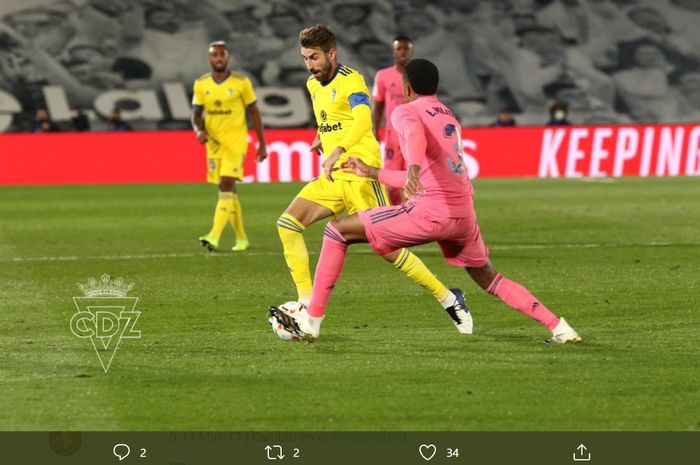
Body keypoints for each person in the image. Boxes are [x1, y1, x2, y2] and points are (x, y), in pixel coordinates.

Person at [272, 58, 581, 345]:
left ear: (406, 88)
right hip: (463, 215)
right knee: (490, 277)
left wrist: (414, 168)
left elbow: (415, 139)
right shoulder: (448, 115)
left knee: (337, 231)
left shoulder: (405, 111)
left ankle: (312, 320)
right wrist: (374, 172)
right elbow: (424, 171)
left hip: (430, 213)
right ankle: (559, 327)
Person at [277, 25, 469, 333]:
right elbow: (330, 118)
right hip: (333, 176)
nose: (309, 65)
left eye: (314, 57)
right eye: (304, 58)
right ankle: (305, 301)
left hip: (360, 174)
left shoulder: (351, 80)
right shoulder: (313, 85)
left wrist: (338, 148)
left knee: (386, 248)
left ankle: (448, 297)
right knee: (288, 225)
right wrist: (319, 138)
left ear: (331, 53)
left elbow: (363, 119)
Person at [192, 41, 268, 252]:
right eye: (214, 55)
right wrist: (198, 130)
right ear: (210, 58)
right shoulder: (201, 84)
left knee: (226, 185)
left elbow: (255, 113)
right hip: (213, 145)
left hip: (235, 143)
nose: (218, 58)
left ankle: (213, 236)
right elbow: (196, 113)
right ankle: (242, 238)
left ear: (227, 57)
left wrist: (262, 144)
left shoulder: (241, 82)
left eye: (221, 55)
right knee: (228, 191)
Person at [372, 35, 413, 205]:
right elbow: (378, 105)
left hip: (414, 136)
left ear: (411, 51)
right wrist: (375, 129)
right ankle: (397, 213)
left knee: (415, 180)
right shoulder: (383, 76)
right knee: (391, 185)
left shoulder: (418, 75)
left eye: (406, 48)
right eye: (399, 48)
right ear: (393, 52)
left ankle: (415, 215)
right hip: (393, 137)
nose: (402, 52)